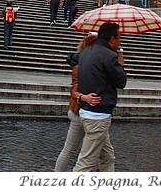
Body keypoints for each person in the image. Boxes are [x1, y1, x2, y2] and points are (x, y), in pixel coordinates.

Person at [74, 22, 127, 172]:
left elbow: (71, 58)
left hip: (88, 112)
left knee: (107, 156)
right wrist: (120, 65)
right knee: (86, 163)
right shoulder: (109, 56)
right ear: (112, 39)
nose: (120, 41)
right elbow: (121, 81)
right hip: (97, 115)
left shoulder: (86, 51)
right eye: (119, 38)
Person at [54, 34, 103, 171]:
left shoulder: (90, 62)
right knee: (72, 150)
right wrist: (84, 97)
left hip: (88, 112)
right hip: (80, 111)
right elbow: (74, 90)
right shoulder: (80, 65)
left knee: (99, 152)